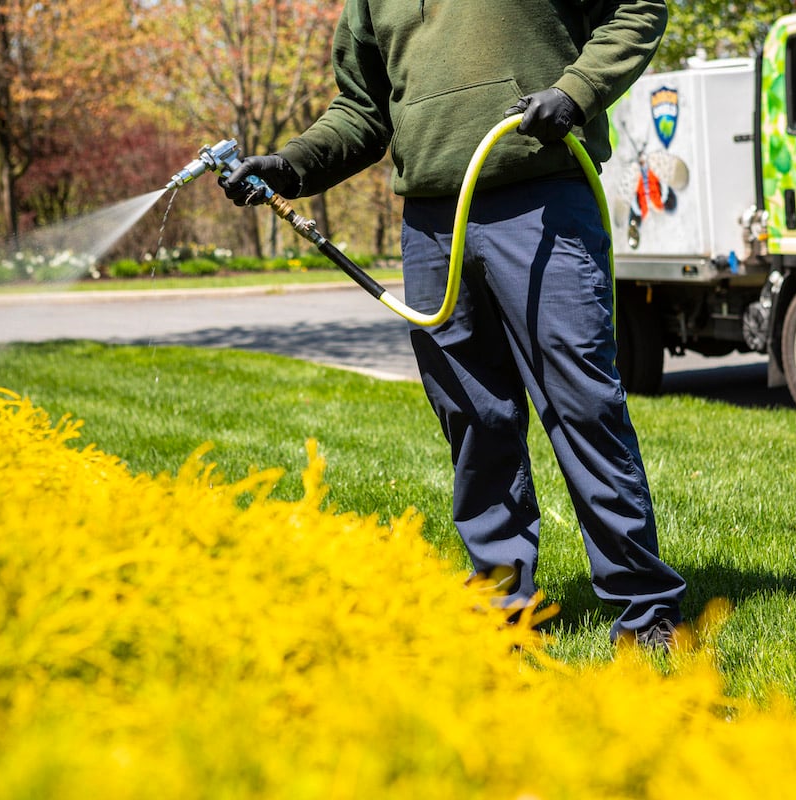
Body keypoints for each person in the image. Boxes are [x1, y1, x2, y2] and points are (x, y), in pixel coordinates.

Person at [222, 0, 685, 648]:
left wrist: (575, 93)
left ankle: (646, 611)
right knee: (474, 417)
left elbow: (638, 8)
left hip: (543, 201)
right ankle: (501, 602)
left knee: (584, 408)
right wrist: (290, 165)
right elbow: (362, 111)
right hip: (432, 227)